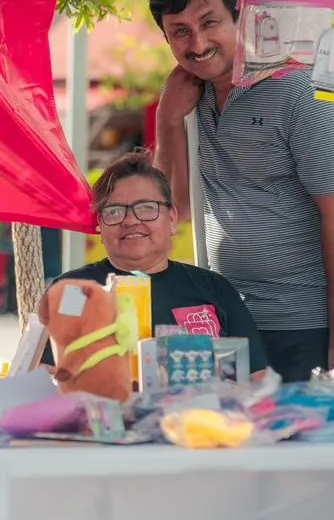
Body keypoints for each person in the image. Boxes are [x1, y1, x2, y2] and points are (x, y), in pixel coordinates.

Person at [150, 0, 334, 387]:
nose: (196, 44)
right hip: (231, 318)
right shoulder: (195, 99)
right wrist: (168, 119)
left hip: (309, 320)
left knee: (320, 451)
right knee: (244, 453)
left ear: (243, 17)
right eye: (180, 32)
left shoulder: (302, 92)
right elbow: (172, 208)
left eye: (210, 23)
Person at [47, 152, 268, 374]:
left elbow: (255, 376)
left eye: (146, 208)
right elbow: (45, 372)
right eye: (113, 212)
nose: (131, 220)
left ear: (171, 218)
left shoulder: (213, 288)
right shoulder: (73, 290)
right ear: (100, 227)